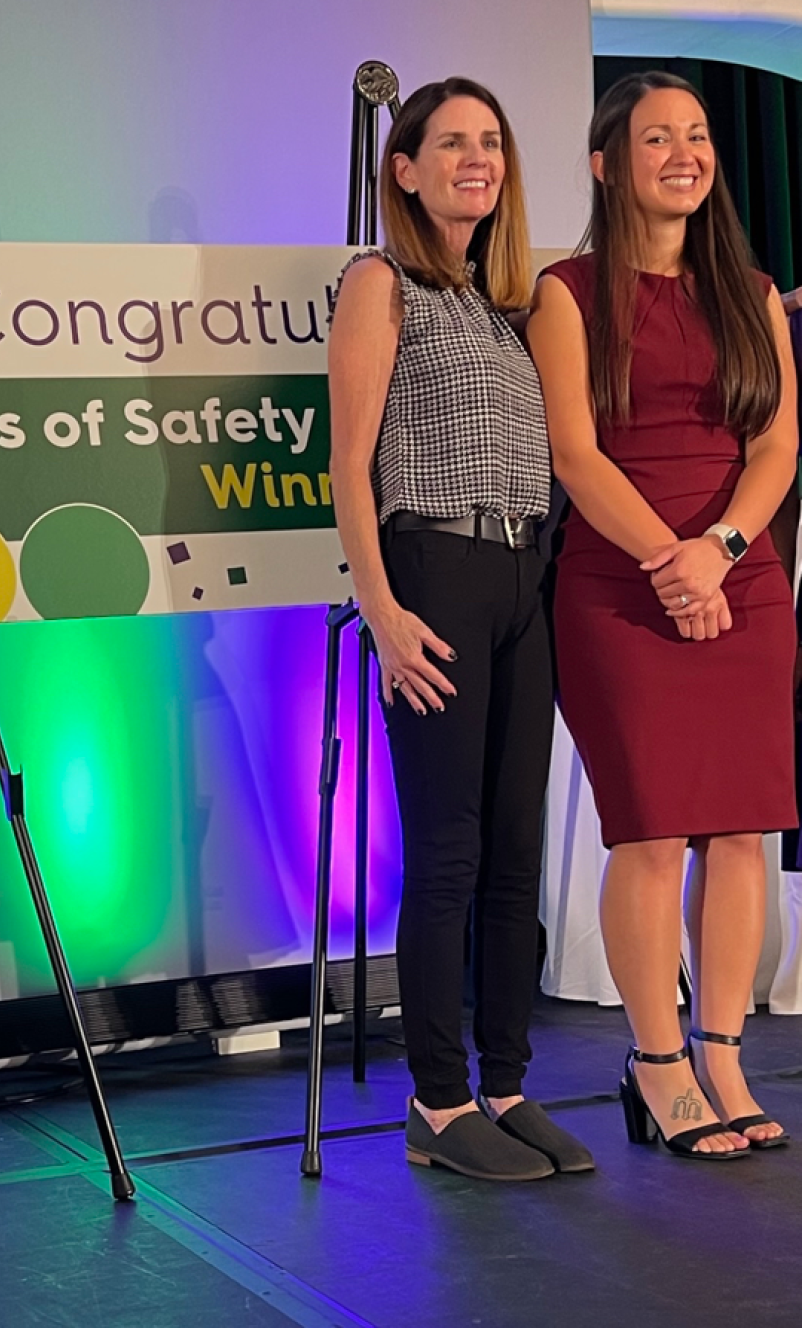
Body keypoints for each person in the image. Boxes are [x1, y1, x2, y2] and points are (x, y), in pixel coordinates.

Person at [528, 71, 797, 1158]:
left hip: (745, 578)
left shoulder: (753, 289)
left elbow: (778, 444)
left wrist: (719, 551)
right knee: (650, 829)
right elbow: (574, 454)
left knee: (742, 829)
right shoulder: (566, 289)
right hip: (619, 590)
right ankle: (657, 1061)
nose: (685, 152)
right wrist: (668, 564)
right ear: (607, 163)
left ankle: (723, 1049)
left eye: (697, 136)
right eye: (657, 139)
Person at [328, 77, 593, 1181]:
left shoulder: (513, 302)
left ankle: (508, 1080)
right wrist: (384, 611)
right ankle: (437, 1102)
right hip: (431, 565)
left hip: (524, 572)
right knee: (443, 852)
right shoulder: (379, 284)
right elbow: (347, 462)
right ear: (404, 167)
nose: (475, 159)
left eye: (491, 142)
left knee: (511, 852)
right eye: (451, 143)